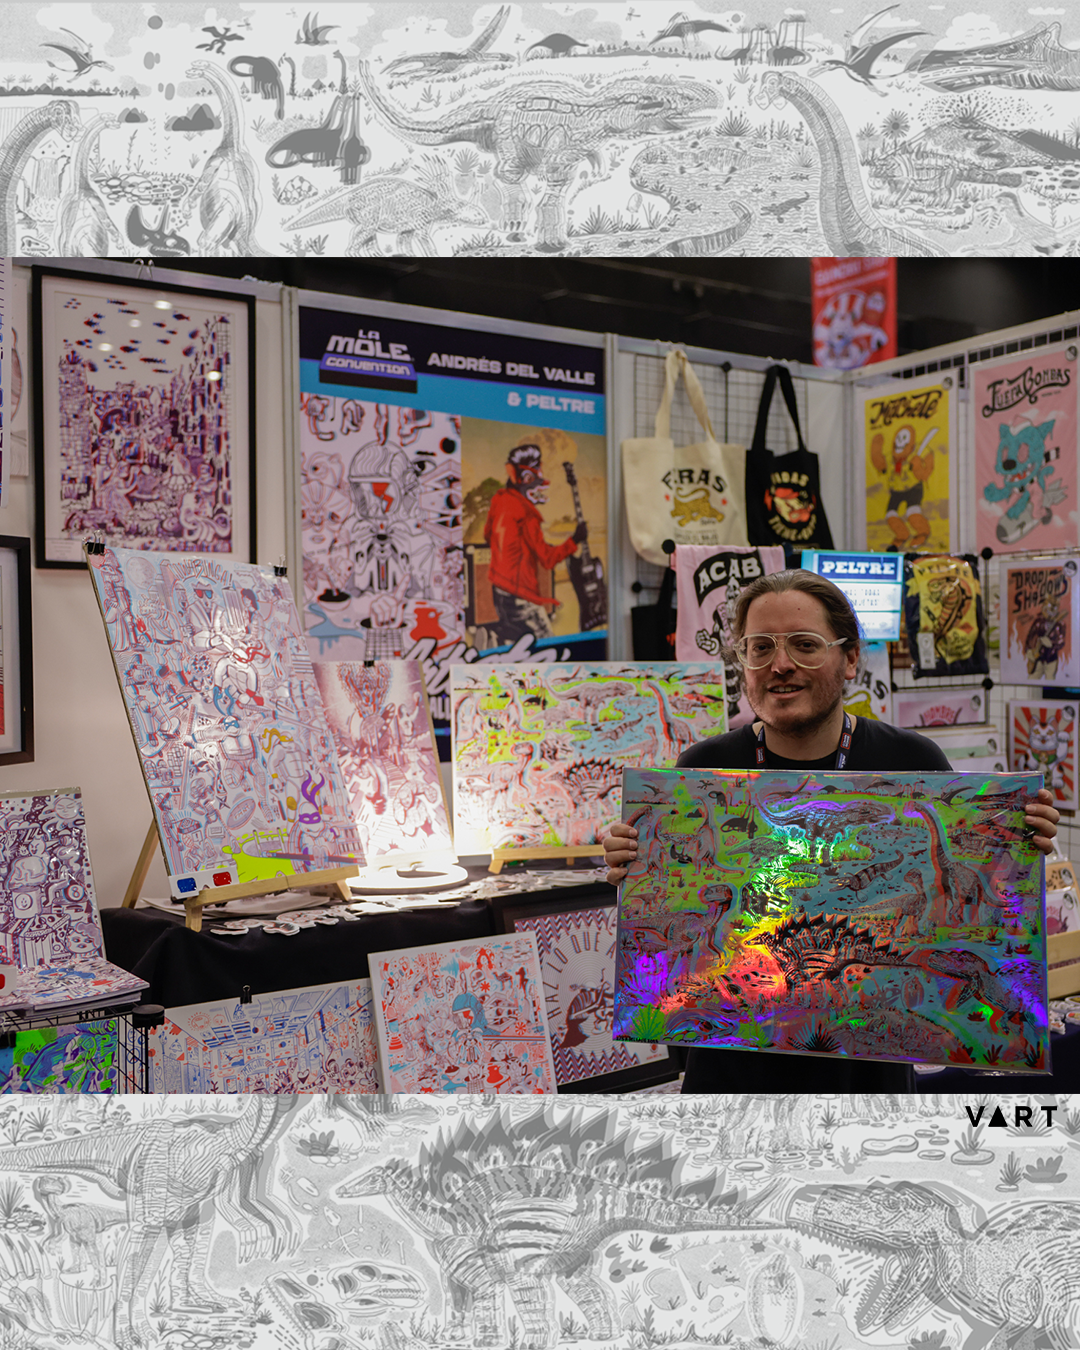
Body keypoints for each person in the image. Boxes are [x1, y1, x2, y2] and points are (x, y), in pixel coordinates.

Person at [604, 568, 1060, 1093]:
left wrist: (1016, 844)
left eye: (804, 644)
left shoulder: (913, 762)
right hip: (728, 1089)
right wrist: (633, 865)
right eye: (760, 648)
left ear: (849, 659)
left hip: (869, 1093)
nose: (780, 665)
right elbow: (676, 945)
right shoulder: (700, 772)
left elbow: (963, 906)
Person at [484, 443, 586, 643]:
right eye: (535, 481)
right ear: (525, 479)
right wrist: (574, 540)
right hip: (522, 599)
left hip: (499, 593)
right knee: (548, 647)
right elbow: (547, 559)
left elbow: (488, 535)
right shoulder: (528, 515)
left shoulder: (499, 500)